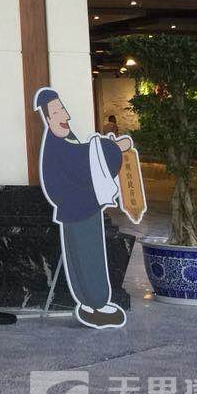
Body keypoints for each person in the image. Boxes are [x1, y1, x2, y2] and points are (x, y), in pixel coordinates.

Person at [33, 88, 134, 328]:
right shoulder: (57, 144)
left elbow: (84, 155)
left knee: (83, 256)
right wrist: (114, 148)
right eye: (58, 111)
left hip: (80, 208)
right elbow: (83, 159)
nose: (65, 116)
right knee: (87, 256)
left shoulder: (63, 139)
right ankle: (94, 304)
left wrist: (105, 146)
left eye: (63, 110)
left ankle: (93, 303)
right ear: (47, 117)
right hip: (79, 210)